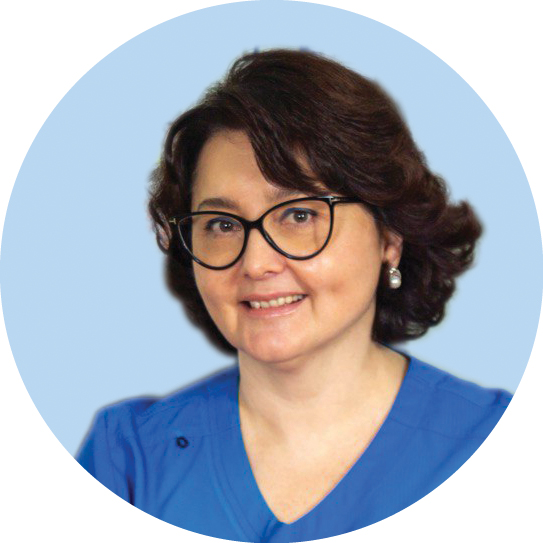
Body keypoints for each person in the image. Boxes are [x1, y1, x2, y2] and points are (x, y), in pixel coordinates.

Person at [76, 49, 512, 542]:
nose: (256, 263)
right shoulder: (128, 459)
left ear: (390, 237)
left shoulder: (495, 442)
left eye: (299, 215)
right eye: (221, 224)